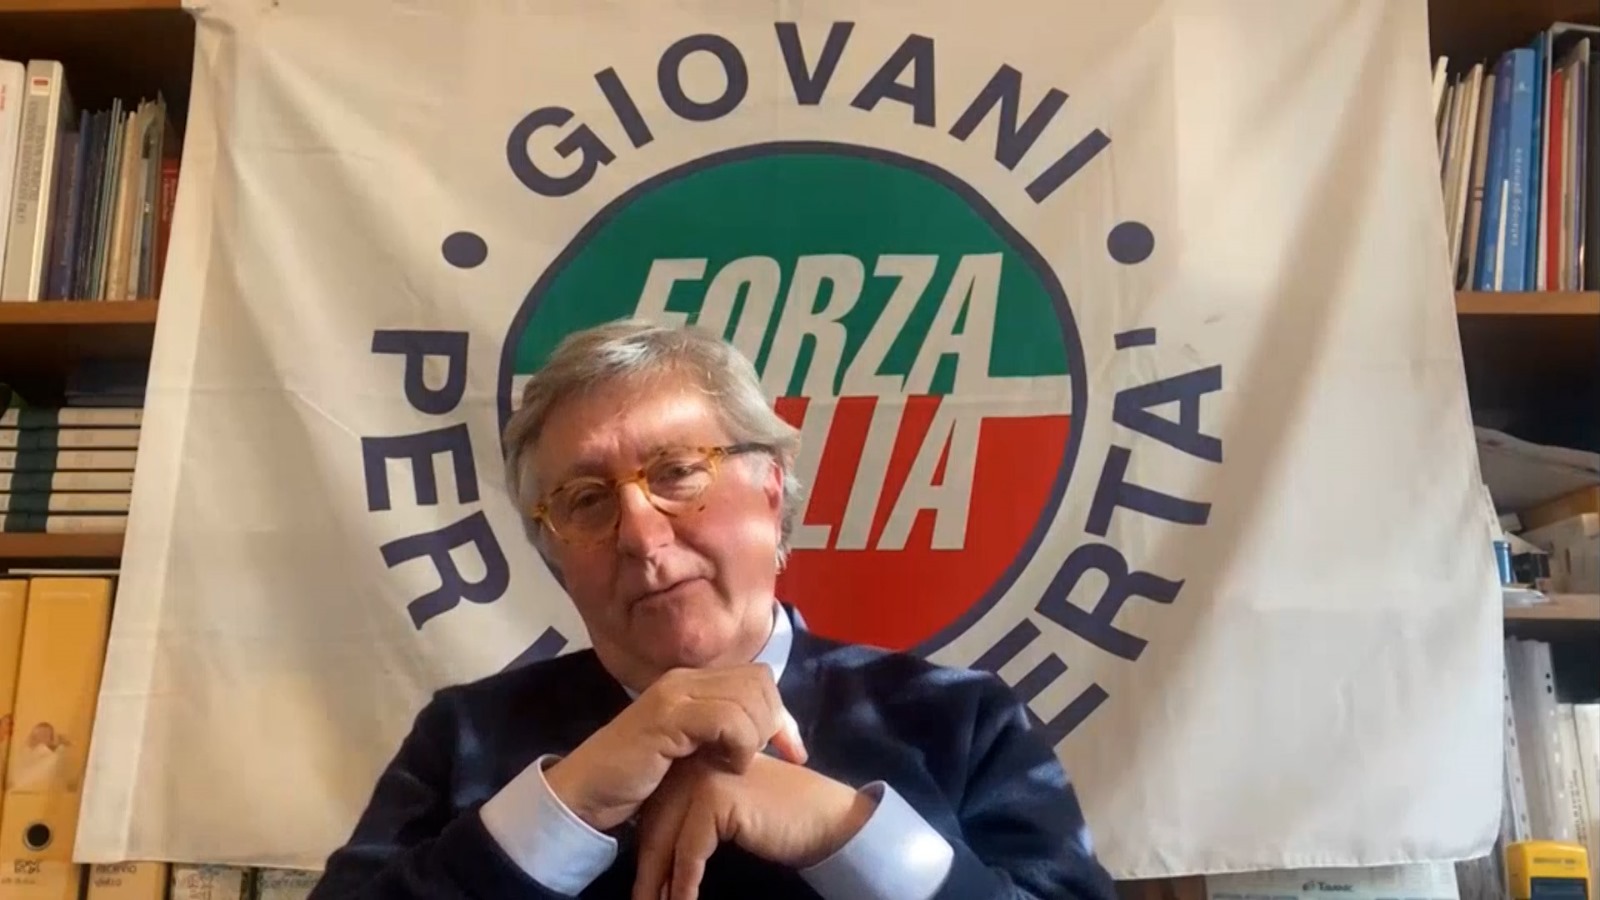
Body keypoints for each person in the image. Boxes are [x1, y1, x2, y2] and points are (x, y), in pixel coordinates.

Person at [308, 319, 1118, 900]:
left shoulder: (958, 720)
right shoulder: (464, 738)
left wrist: (840, 828)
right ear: (554, 556)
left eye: (676, 472)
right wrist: (569, 803)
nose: (640, 533)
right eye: (586, 500)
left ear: (770, 488)